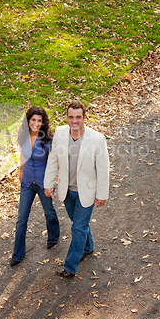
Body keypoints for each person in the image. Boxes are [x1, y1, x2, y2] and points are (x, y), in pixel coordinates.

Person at [44, 101, 109, 277]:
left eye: (78, 117)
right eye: (71, 117)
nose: (74, 121)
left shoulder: (97, 139)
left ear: (84, 117)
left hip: (86, 192)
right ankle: (88, 247)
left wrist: (102, 194)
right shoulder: (60, 133)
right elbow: (54, 159)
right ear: (67, 117)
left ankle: (70, 267)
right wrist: (48, 183)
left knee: (78, 228)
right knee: (79, 224)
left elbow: (103, 170)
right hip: (67, 191)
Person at [10, 106, 60, 266]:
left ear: (43, 122)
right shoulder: (22, 135)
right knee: (21, 219)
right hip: (26, 181)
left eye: (39, 120)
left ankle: (53, 235)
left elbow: (54, 161)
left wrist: (51, 183)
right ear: (28, 121)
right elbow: (23, 154)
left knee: (49, 212)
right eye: (33, 120)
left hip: (42, 182)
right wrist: (20, 171)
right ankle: (18, 254)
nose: (36, 123)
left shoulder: (48, 138)